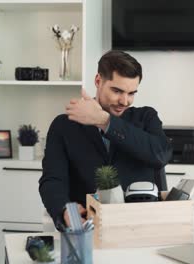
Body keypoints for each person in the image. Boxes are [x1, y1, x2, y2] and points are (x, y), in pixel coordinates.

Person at [39, 50, 172, 230]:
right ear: (98, 81)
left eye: (132, 93)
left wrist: (104, 121)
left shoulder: (146, 118)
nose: (125, 101)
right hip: (87, 226)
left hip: (141, 226)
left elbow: (160, 154)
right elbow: (52, 181)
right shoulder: (64, 125)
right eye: (117, 91)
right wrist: (65, 211)